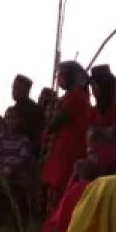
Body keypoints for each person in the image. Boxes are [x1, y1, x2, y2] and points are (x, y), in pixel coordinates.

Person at [40, 61, 93, 212]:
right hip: (61, 149)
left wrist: (50, 113)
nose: (58, 79)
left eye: (61, 75)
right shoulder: (69, 96)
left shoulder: (76, 96)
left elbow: (55, 123)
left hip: (69, 151)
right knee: (54, 191)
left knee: (61, 192)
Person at [0, 106, 35, 232]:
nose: (10, 121)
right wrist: (2, 169)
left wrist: (9, 169)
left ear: (18, 120)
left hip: (17, 181)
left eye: (13, 118)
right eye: (8, 118)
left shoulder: (23, 140)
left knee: (19, 209)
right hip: (1, 181)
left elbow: (23, 158)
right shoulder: (0, 139)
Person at [88, 65, 116, 157]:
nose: (93, 89)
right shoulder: (94, 111)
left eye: (95, 84)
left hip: (115, 159)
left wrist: (98, 132)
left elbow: (115, 136)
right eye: (91, 85)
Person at [11, 74, 47, 152]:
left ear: (26, 90)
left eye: (17, 88)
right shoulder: (16, 107)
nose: (13, 91)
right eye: (13, 88)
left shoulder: (34, 110)